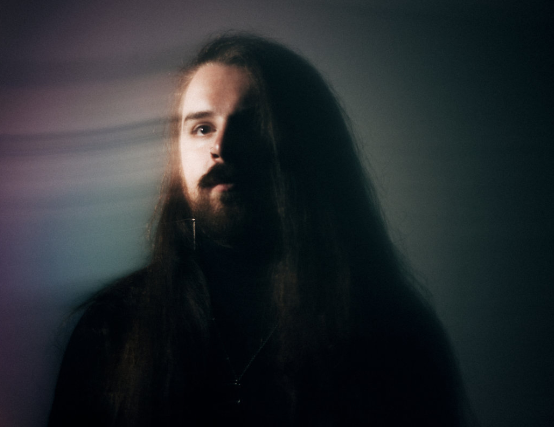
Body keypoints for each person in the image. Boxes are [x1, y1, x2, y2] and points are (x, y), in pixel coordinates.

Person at [48, 33, 474, 426]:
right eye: (201, 128)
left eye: (252, 123)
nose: (220, 147)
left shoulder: (390, 334)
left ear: (306, 145)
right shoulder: (114, 328)